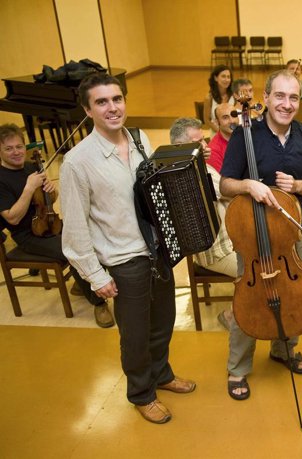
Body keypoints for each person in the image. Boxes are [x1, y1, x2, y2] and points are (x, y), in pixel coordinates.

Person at [60, 73, 196, 424]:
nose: (112, 107)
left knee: (163, 322)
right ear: (88, 110)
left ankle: (162, 375)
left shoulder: (139, 139)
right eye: (102, 102)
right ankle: (141, 393)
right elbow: (74, 229)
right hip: (123, 260)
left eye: (117, 99)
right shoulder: (77, 162)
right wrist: (94, 276)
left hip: (157, 251)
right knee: (135, 336)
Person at [219, 70, 302, 400]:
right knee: (249, 301)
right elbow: (225, 185)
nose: (286, 104)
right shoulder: (245, 134)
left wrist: (299, 186)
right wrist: (248, 184)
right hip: (253, 235)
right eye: (280, 96)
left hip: (293, 233)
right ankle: (238, 367)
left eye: (293, 98)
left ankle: (284, 349)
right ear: (265, 98)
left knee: (294, 294)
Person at [0, 124, 114, 328]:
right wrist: (28, 188)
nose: (16, 152)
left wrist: (52, 191)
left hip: (51, 224)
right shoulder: (1, 179)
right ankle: (99, 303)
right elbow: (12, 218)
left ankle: (83, 283)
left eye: (19, 147)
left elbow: (47, 200)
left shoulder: (31, 167)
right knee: (74, 249)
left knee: (93, 236)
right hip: (28, 235)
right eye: (9, 149)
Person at [169, 117, 237, 279]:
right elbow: (231, 192)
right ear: (181, 146)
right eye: (199, 142)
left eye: (204, 140)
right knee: (259, 274)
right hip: (219, 253)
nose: (206, 146)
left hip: (232, 242)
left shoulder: (200, 165)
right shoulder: (191, 173)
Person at [203, 65, 233, 133]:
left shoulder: (234, 96)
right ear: (216, 78)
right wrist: (221, 132)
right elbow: (206, 120)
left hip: (232, 131)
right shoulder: (209, 98)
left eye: (228, 77)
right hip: (216, 132)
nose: (226, 80)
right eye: (223, 76)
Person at [208, 103, 235, 173]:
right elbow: (222, 181)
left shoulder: (246, 137)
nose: (232, 121)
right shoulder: (213, 151)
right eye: (225, 117)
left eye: (234, 115)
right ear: (217, 122)